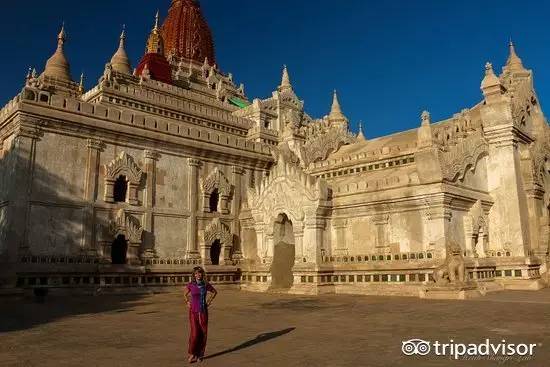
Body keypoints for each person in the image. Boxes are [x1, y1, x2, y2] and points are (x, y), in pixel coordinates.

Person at [185, 266, 217, 363]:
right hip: (193, 311)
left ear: (202, 274)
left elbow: (214, 292)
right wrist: (187, 301)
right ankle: (192, 353)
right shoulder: (191, 285)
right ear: (193, 275)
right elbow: (184, 294)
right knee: (194, 333)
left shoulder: (205, 284)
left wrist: (209, 301)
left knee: (203, 333)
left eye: (199, 273)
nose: (198, 275)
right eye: (196, 274)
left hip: (203, 311)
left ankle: (200, 354)